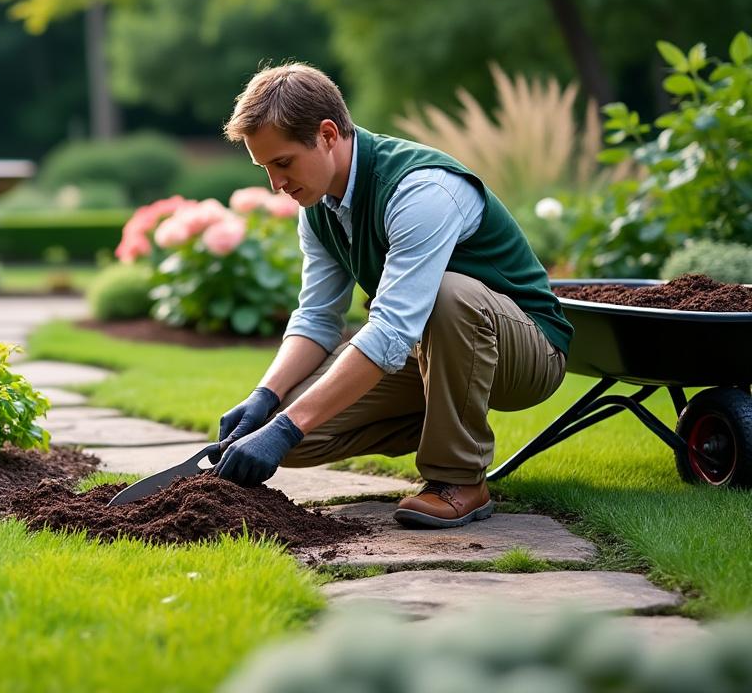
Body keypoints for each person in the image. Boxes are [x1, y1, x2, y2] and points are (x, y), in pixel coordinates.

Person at [210, 63, 572, 528]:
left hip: (527, 351)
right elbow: (317, 318)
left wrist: (285, 426)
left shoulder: (420, 190)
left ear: (326, 134)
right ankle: (447, 415)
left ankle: (459, 479)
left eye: (283, 163)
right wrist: (266, 397)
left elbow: (393, 328)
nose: (276, 185)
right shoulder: (317, 206)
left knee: (448, 294)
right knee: (295, 435)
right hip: (432, 351)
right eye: (266, 169)